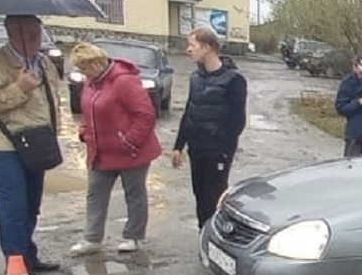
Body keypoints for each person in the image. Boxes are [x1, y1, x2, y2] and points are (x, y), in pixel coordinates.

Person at [0, 14, 64, 275]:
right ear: (11, 32)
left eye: (36, 32)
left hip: (36, 141)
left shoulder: (44, 62)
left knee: (31, 204)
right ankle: (16, 266)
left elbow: (52, 100)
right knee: (14, 205)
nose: (33, 38)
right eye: (26, 32)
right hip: (5, 144)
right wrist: (18, 89)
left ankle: (27, 253)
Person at [66, 43, 161, 256]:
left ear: (96, 62)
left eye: (84, 67)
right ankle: (92, 238)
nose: (82, 72)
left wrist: (129, 142)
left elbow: (145, 115)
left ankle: (134, 237)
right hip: (101, 151)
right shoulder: (91, 83)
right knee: (95, 193)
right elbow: (87, 111)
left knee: (134, 194)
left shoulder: (124, 81)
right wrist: (84, 132)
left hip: (131, 151)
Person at [171, 27, 247, 229]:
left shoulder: (234, 79)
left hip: (218, 150)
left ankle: (218, 234)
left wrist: (223, 148)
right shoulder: (196, 78)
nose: (188, 50)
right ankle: (203, 233)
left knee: (213, 195)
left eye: (192, 45)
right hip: (197, 148)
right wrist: (179, 146)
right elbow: (189, 112)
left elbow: (237, 121)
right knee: (199, 194)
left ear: (207, 47)